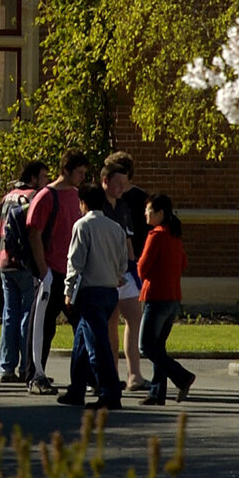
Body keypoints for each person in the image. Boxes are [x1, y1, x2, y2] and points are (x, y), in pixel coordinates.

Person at [58, 184, 129, 410]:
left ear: (83, 203)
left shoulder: (83, 226)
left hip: (90, 291)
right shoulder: (115, 228)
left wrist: (69, 291)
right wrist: (116, 275)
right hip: (110, 290)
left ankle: (110, 392)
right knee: (81, 341)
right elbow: (122, 262)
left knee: (97, 345)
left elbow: (75, 262)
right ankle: (76, 389)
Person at [24, 151, 89, 395]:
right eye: (80, 173)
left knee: (83, 325)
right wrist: (44, 272)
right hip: (51, 272)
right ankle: (35, 376)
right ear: (67, 171)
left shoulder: (77, 196)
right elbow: (34, 235)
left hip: (73, 273)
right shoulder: (46, 196)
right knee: (42, 326)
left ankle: (86, 376)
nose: (82, 177)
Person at [135, 194, 194, 405]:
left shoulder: (156, 235)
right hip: (173, 297)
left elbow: (142, 269)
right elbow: (184, 262)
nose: (145, 213)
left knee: (146, 347)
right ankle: (157, 392)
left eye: (149, 210)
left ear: (160, 213)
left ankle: (182, 376)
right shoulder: (174, 235)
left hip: (156, 296)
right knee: (158, 346)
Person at [101, 151, 150, 393]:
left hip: (129, 266)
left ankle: (134, 374)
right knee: (111, 321)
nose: (121, 187)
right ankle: (114, 375)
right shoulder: (101, 202)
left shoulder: (133, 202)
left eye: (123, 181)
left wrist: (135, 268)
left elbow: (133, 237)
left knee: (133, 317)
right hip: (108, 269)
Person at [0, 160, 49, 383]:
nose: (46, 181)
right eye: (44, 177)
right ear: (34, 178)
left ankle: (6, 367)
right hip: (26, 263)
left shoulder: (7, 197)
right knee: (29, 314)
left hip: (4, 260)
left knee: (10, 314)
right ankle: (27, 366)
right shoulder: (33, 198)